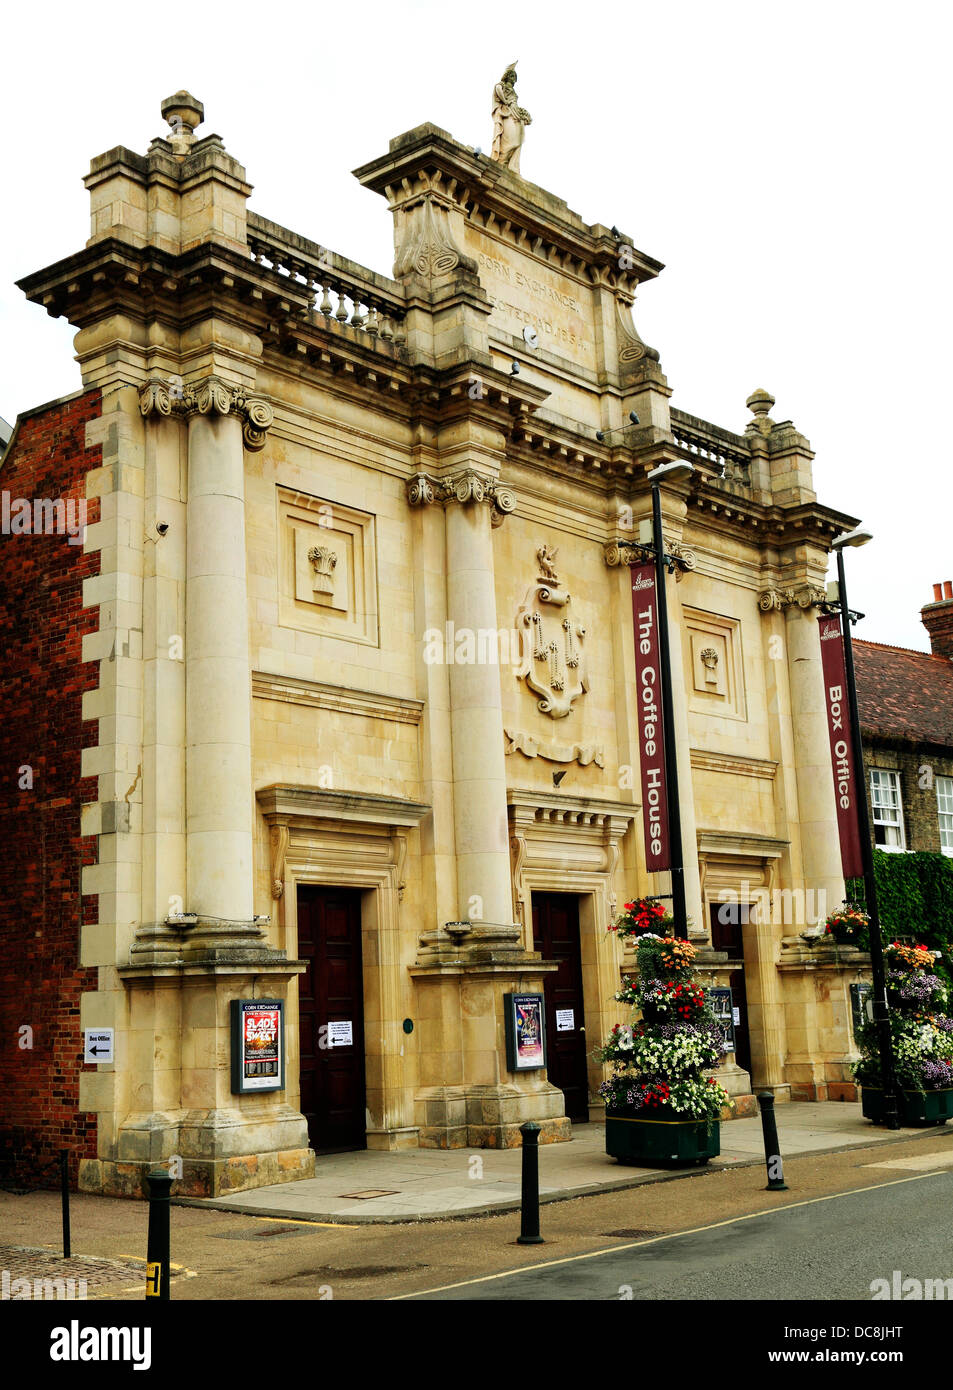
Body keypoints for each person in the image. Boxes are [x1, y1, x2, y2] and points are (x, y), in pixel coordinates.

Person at [491, 63, 532, 175]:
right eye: (513, 76)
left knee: (518, 140)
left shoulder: (513, 91)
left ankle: (510, 165)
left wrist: (523, 115)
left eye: (515, 78)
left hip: (515, 114)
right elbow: (498, 88)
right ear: (508, 76)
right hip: (507, 113)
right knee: (510, 140)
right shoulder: (501, 85)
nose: (515, 80)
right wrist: (505, 101)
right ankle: (501, 161)